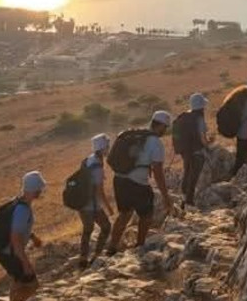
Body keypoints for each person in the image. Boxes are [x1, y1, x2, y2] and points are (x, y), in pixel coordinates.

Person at [107, 111, 174, 255]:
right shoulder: (156, 143)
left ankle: (112, 247)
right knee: (146, 215)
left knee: (124, 214)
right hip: (138, 184)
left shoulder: (135, 134)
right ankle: (140, 246)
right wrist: (165, 196)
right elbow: (158, 172)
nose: (165, 130)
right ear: (161, 125)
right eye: (165, 127)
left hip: (119, 179)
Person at [0, 171, 46, 301]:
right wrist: (25, 263)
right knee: (32, 286)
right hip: (11, 254)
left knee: (18, 280)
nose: (41, 191)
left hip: (5, 252)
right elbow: (15, 239)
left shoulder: (17, 202)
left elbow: (19, 229)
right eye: (39, 188)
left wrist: (33, 237)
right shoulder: (22, 210)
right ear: (35, 190)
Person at [78, 134, 114, 267]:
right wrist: (109, 208)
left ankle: (83, 258)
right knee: (106, 227)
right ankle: (97, 255)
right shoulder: (97, 166)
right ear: (103, 148)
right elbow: (100, 191)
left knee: (87, 229)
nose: (108, 149)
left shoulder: (89, 160)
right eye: (107, 146)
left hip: (81, 203)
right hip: (91, 205)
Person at [179, 94, 210, 208]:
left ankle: (183, 198)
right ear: (202, 106)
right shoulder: (199, 118)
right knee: (194, 176)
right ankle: (189, 201)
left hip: (185, 151)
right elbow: (202, 138)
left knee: (187, 173)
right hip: (197, 152)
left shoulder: (184, 116)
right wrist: (208, 146)